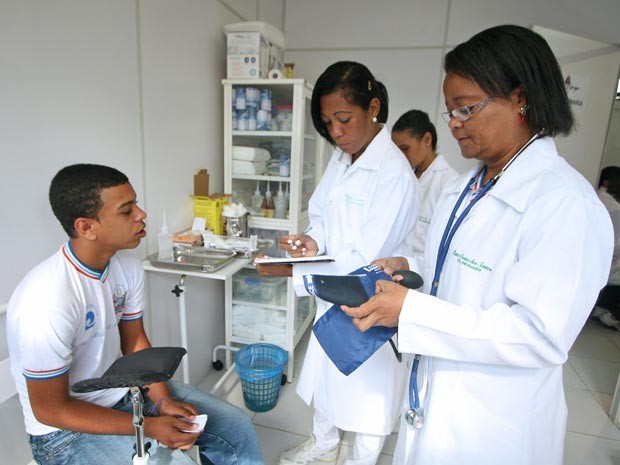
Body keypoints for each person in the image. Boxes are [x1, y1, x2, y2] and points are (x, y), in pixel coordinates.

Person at [341, 25, 613, 465]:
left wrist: (413, 310)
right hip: (436, 399)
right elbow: (456, 267)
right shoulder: (468, 186)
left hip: (492, 426)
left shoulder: (565, 204)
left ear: (520, 98)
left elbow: (539, 336)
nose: (452, 124)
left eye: (465, 109)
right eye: (450, 111)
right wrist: (411, 263)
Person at [7, 164, 264, 465]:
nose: (141, 214)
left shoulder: (126, 266)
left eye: (136, 204)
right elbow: (51, 410)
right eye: (126, 211)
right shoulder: (46, 302)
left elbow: (134, 343)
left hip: (122, 392)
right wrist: (150, 426)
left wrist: (163, 400)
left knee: (236, 427)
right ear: (86, 227)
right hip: (62, 432)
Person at [257, 61, 419, 465]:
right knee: (329, 377)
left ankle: (361, 460)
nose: (336, 132)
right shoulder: (341, 156)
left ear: (374, 108)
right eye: (328, 122)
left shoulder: (393, 173)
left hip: (373, 295)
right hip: (333, 287)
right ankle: (324, 444)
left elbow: (366, 256)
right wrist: (312, 241)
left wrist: (300, 269)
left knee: (369, 393)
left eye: (344, 119)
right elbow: (324, 213)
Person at [391, 109, 458, 256]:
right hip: (395, 263)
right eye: (396, 150)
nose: (399, 156)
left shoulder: (449, 183)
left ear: (427, 140)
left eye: (405, 149)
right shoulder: (402, 176)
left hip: (421, 269)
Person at [592, 167, 620, 329]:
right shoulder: (614, 206)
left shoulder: (591, 195)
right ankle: (606, 310)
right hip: (603, 267)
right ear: (607, 182)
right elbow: (615, 246)